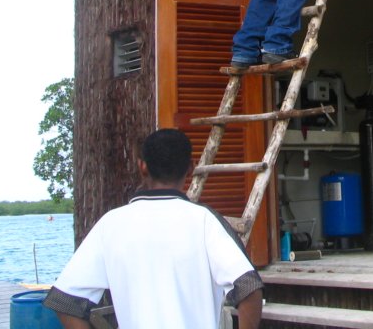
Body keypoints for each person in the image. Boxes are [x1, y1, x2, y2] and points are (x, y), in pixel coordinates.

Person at [43, 129, 263, 329]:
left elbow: (64, 301)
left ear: (142, 166)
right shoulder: (204, 221)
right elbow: (248, 287)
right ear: (191, 167)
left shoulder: (110, 224)